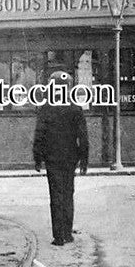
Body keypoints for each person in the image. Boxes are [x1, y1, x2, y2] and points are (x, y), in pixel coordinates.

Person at [33, 70, 88, 246]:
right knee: (68, 194)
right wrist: (84, 160)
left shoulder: (45, 109)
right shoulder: (75, 109)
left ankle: (58, 236)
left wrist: (38, 158)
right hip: (70, 158)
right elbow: (83, 138)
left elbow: (39, 135)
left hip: (52, 159)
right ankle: (67, 233)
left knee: (55, 195)